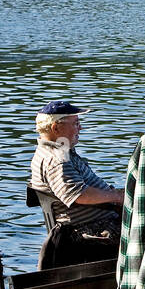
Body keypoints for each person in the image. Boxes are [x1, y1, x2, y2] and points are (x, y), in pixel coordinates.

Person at [30, 100, 123, 268]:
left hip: (97, 222)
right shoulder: (56, 160)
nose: (80, 128)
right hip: (88, 231)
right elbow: (78, 194)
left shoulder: (60, 151)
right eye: (76, 123)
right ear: (55, 128)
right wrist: (116, 196)